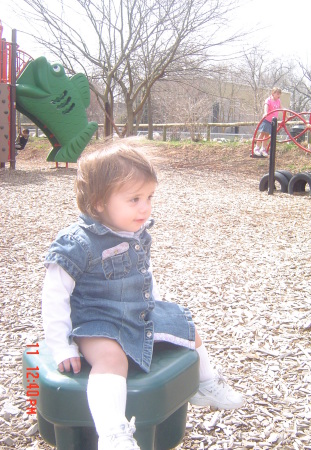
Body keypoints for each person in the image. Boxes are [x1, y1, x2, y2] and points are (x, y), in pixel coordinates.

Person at [42, 145, 244, 450]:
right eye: (134, 199)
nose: (145, 208)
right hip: (98, 322)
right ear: (98, 204)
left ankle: (206, 384)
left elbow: (144, 275)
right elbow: (54, 297)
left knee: (186, 326)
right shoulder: (76, 243)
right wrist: (61, 346)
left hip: (138, 312)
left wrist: (158, 306)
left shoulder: (135, 232)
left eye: (149, 197)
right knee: (112, 359)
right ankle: (112, 432)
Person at [254, 87, 282, 157]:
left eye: (279, 94)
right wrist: (265, 112)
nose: (279, 96)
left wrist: (287, 116)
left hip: (272, 121)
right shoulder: (269, 100)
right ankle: (257, 148)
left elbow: (281, 108)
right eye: (277, 94)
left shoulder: (278, 101)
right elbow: (266, 106)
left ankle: (263, 149)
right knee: (262, 133)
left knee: (267, 135)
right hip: (267, 119)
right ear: (273, 93)